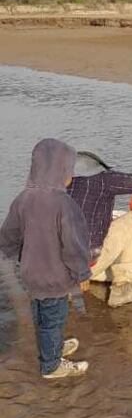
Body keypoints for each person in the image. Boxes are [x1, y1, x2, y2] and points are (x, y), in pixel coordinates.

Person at [0, 138, 91, 380]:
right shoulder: (64, 204)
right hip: (55, 276)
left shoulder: (23, 198)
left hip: (30, 274)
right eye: (69, 170)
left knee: (42, 314)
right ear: (62, 172)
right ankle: (51, 366)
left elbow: (9, 234)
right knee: (54, 317)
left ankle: (53, 346)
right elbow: (74, 244)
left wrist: (5, 252)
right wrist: (82, 273)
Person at [68, 157, 132, 307]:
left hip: (54, 269)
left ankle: (89, 277)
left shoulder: (54, 184)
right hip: (84, 266)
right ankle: (123, 288)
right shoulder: (103, 179)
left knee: (115, 216)